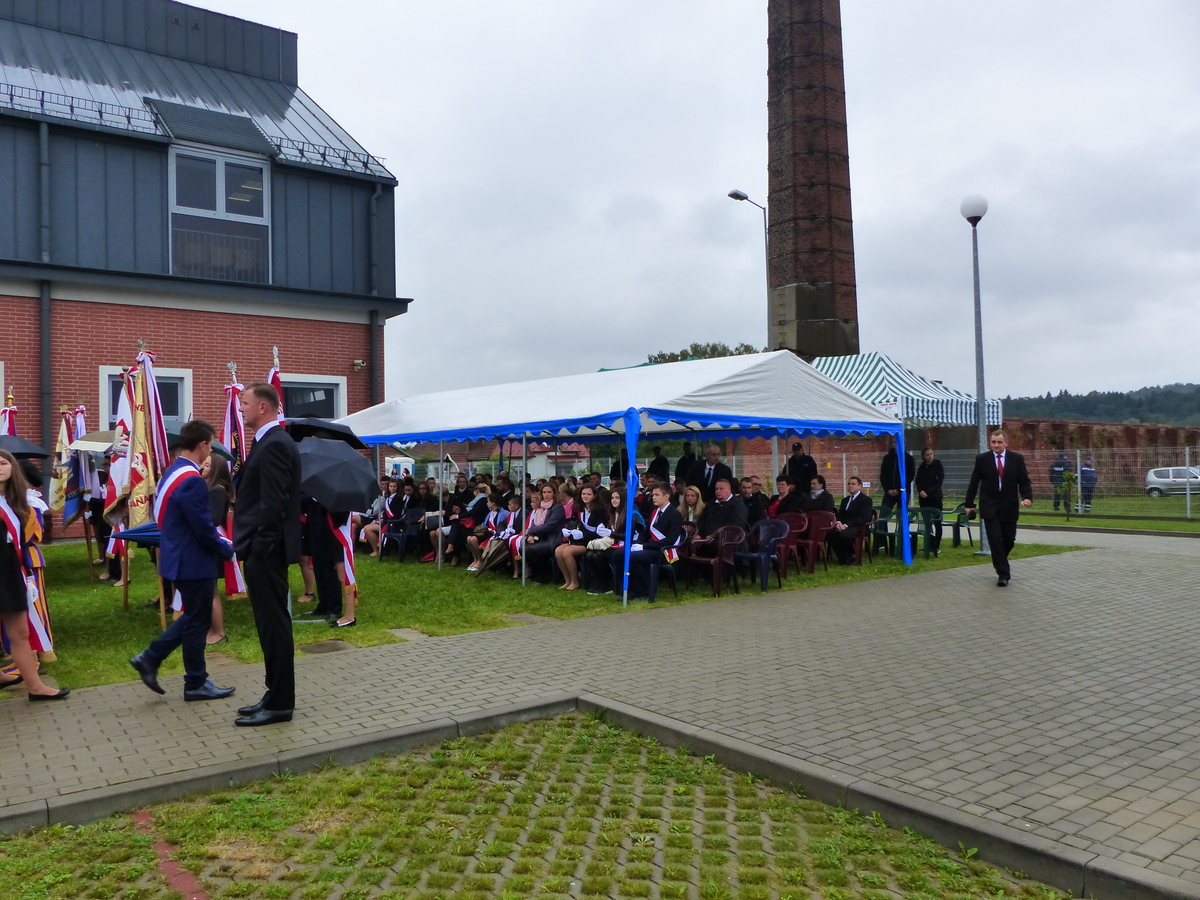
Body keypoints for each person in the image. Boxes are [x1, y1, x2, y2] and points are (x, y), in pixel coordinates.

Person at [129, 420, 235, 703]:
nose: (211, 450)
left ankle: (173, 669)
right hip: (193, 560)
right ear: (202, 445)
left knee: (194, 617)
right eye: (210, 445)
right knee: (197, 620)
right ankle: (181, 674)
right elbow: (202, 527)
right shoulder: (192, 480)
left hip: (179, 556)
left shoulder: (173, 472)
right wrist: (228, 550)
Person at [232, 382, 301, 726]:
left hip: (266, 551)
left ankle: (281, 703)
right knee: (268, 624)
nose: (240, 408)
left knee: (274, 625)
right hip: (261, 549)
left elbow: (274, 503)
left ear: (263, 407)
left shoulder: (274, 444)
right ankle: (273, 693)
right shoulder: (266, 442)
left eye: (245, 402)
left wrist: (261, 546)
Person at [0, 450, 68, 699]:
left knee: (20, 632)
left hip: (9, 569)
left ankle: (36, 687)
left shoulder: (17, 501)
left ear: (13, 468)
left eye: (3, 463)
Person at [964, 430, 1033, 587]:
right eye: (993, 442)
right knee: (995, 540)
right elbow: (974, 482)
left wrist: (1027, 497)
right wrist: (969, 504)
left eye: (999, 442)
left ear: (1006, 443)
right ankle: (1003, 574)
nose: (996, 445)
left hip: (1009, 506)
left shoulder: (1016, 459)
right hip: (990, 506)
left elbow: (1024, 480)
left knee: (1009, 540)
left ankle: (1000, 558)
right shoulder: (982, 459)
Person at [627, 483, 684, 601]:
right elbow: (646, 532)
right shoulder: (655, 512)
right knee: (622, 554)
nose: (653, 497)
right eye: (653, 495)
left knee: (633, 557)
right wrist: (637, 543)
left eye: (657, 495)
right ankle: (627, 589)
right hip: (653, 548)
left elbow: (670, 540)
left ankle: (643, 592)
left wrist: (644, 546)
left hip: (664, 551)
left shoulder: (675, 514)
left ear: (666, 496)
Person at [554, 484, 608, 591]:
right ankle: (567, 580)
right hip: (578, 539)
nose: (585, 496)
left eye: (588, 494)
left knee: (567, 552)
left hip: (591, 541)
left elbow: (601, 533)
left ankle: (575, 582)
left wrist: (583, 534)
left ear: (594, 496)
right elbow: (574, 522)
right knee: (558, 551)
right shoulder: (580, 508)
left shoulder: (600, 511)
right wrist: (568, 530)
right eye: (583, 494)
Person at [826, 475, 874, 565]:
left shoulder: (866, 500)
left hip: (858, 526)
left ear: (859, 486)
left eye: (853, 484)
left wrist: (846, 525)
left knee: (843, 534)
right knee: (829, 533)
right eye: (849, 484)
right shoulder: (845, 500)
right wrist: (838, 523)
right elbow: (840, 515)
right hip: (844, 525)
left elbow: (864, 517)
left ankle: (851, 555)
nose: (850, 486)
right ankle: (845, 556)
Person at [913, 447, 944, 555]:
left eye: (931, 454)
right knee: (927, 523)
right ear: (923, 456)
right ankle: (929, 544)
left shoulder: (938, 465)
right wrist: (921, 491)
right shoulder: (922, 467)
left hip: (935, 498)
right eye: (927, 454)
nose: (930, 456)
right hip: (924, 500)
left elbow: (938, 482)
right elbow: (918, 481)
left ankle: (936, 546)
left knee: (937, 522)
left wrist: (928, 492)